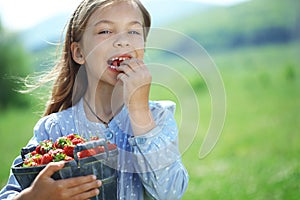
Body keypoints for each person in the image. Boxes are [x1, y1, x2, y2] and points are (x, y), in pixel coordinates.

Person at [0, 0, 189, 199]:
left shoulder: (157, 117)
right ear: (79, 53)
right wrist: (34, 196)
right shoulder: (54, 129)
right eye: (105, 31)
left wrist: (139, 110)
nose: (123, 41)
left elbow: (170, 193)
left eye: (133, 31)